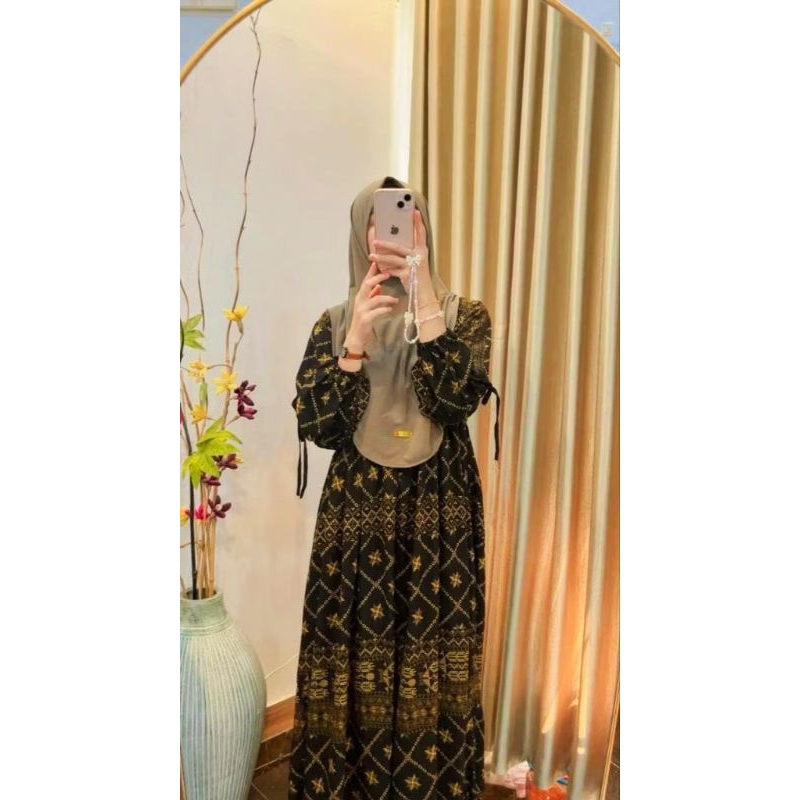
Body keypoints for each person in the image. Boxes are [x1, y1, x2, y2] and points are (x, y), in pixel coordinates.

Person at [288, 175, 500, 800]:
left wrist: (423, 292)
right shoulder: (333, 323)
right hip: (356, 515)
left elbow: (454, 400)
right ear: (361, 235)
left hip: (441, 514)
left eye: (405, 221)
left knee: (435, 653)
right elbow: (320, 426)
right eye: (377, 223)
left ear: (422, 228)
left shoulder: (466, 317)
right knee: (350, 654)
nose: (389, 235)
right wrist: (354, 343)